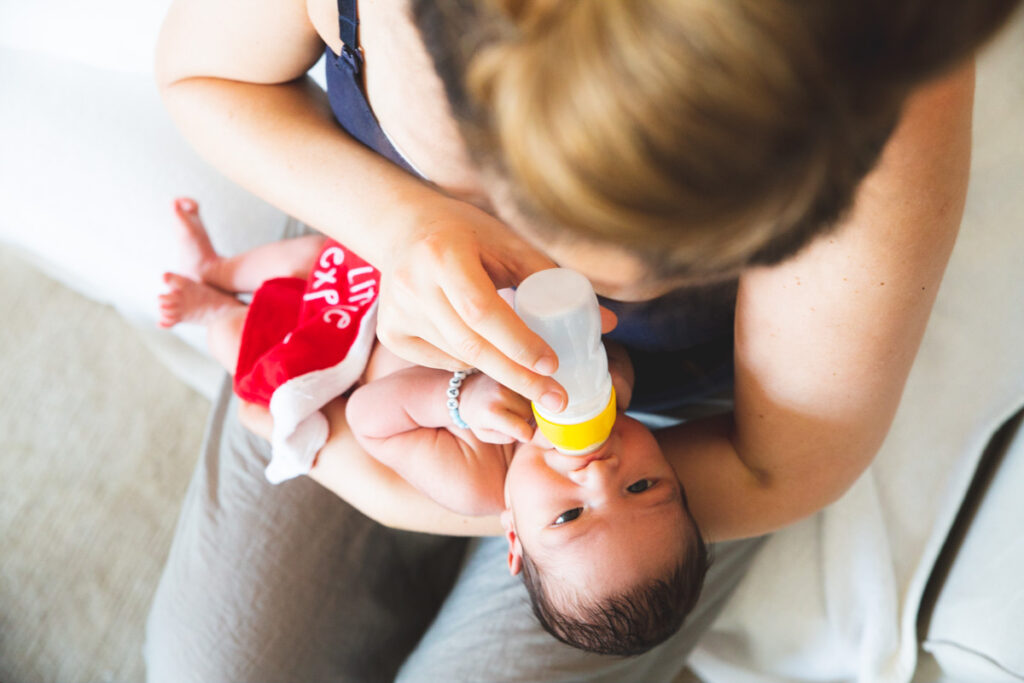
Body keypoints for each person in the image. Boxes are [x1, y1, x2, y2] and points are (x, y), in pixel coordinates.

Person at [146, 0, 1022, 681]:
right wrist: (399, 222)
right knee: (206, 665)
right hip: (370, 277)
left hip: (671, 439)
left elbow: (779, 466)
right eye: (491, 199)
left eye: (617, 278)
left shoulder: (865, 87)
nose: (546, 283)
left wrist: (527, 506)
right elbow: (204, 78)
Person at [159, 195, 710, 656]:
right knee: (308, 255)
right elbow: (605, 353)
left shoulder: (474, 480)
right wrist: (610, 373)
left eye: (568, 515)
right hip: (385, 291)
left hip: (335, 355)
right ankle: (216, 267)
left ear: (512, 532)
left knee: (250, 350)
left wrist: (460, 401)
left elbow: (369, 418)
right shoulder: (604, 406)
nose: (598, 472)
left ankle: (208, 309)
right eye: (641, 485)